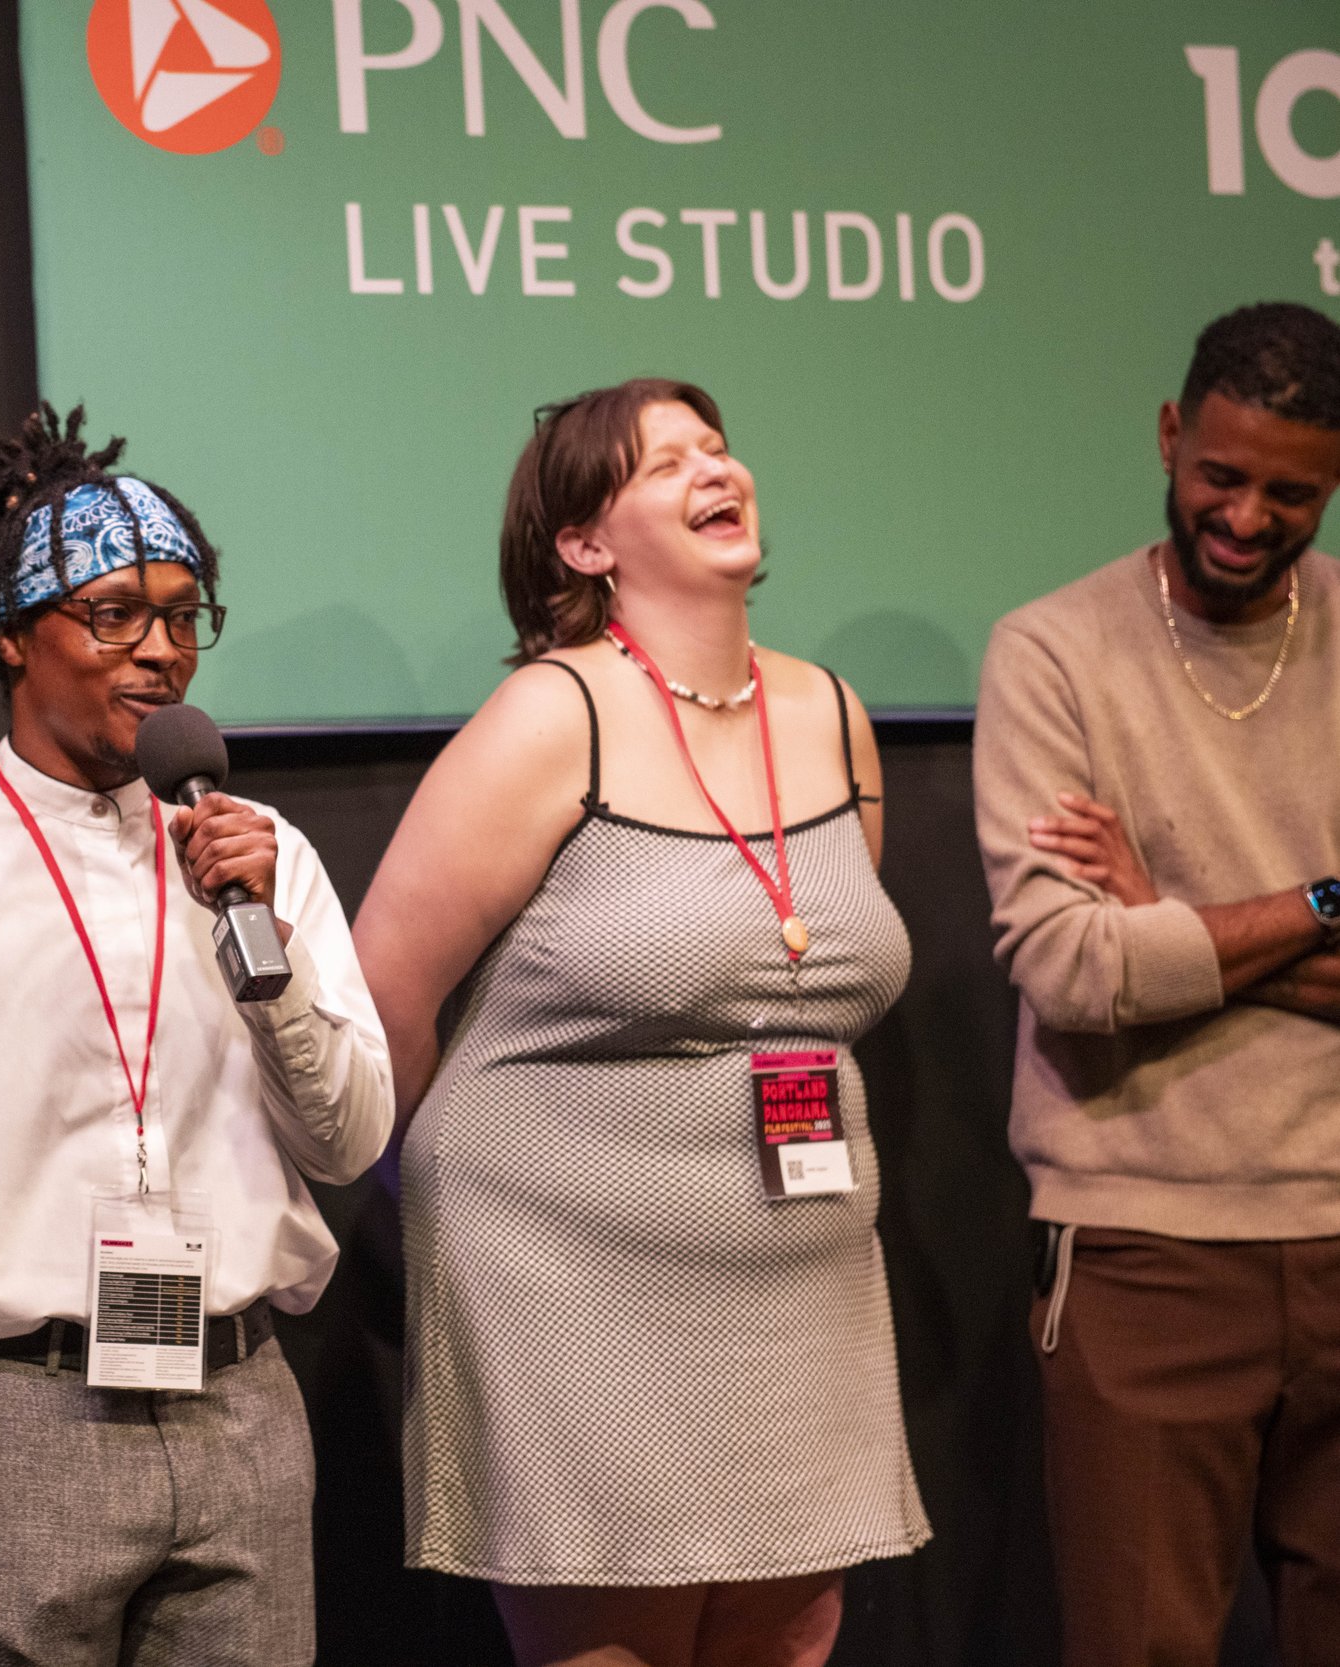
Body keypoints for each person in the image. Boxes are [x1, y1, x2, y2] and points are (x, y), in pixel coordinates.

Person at [0, 404, 394, 1667]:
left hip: (245, 1405)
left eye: (181, 614)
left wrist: (266, 948)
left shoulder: (259, 856)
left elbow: (353, 1137)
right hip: (17, 1414)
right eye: (113, 614)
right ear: (12, 636)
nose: (158, 652)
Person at [353, 379, 930, 1667]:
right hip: (568, 1278)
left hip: (798, 1274)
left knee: (793, 1644)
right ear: (584, 543)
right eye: (663, 462)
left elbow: (813, 972)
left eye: (716, 446)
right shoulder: (552, 715)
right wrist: (443, 1199)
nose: (712, 467)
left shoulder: (831, 711)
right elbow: (379, 992)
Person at [973, 301, 1340, 1667]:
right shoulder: (1054, 650)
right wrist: (1315, 901)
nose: (1247, 516)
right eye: (1222, 476)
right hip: (1147, 1248)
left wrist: (1176, 926)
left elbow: (1136, 956)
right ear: (1172, 435)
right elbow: (1072, 966)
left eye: (1291, 491)